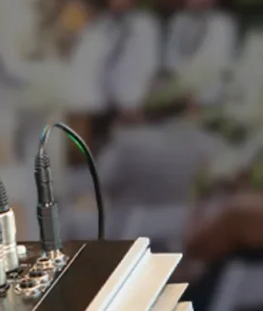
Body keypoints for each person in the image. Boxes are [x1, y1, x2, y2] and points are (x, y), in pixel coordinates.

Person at [69, 75, 227, 240]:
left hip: (132, 231)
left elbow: (94, 183)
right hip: (185, 233)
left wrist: (56, 182)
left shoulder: (129, 143)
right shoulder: (211, 146)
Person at [67, 0, 161, 147]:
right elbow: (89, 60)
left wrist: (140, 98)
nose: (118, 2)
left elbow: (149, 62)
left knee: (130, 145)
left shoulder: (144, 24)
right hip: (102, 100)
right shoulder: (101, 25)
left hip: (132, 99)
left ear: (132, 0)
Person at [163, 0, 238, 105]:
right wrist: (183, 87)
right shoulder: (178, 21)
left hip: (211, 94)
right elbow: (171, 56)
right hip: (180, 93)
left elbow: (221, 61)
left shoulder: (223, 23)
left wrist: (198, 92)